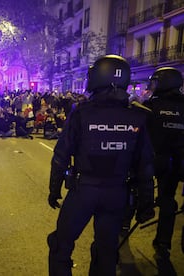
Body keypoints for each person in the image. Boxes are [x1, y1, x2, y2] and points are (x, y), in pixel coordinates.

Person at [47, 55, 155, 276]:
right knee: (106, 252)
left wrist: (54, 189)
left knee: (61, 245)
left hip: (83, 191)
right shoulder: (138, 116)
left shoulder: (81, 112)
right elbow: (145, 165)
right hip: (117, 194)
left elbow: (61, 155)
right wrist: (146, 204)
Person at [143, 67, 184, 264]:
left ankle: (126, 222)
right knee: (168, 201)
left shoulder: (151, 105)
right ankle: (163, 244)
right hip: (176, 164)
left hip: (150, 160)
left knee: (134, 188)